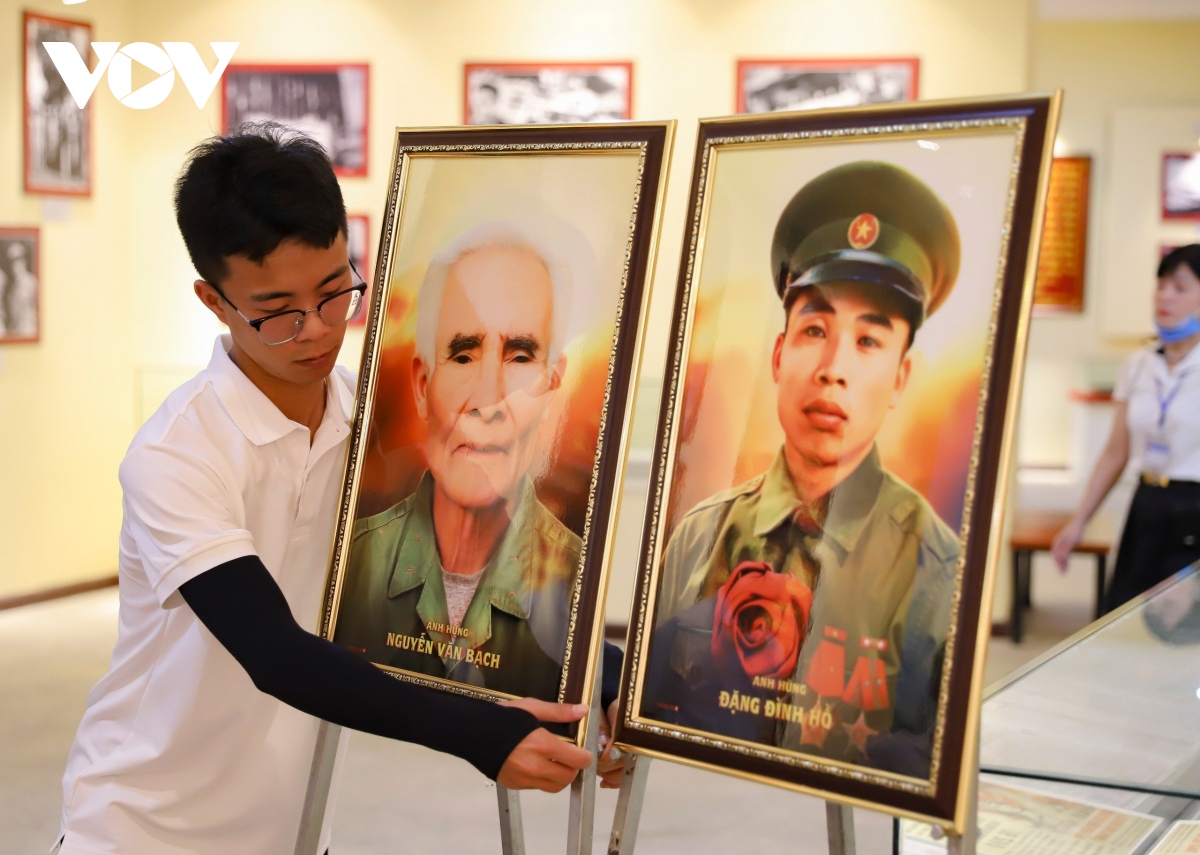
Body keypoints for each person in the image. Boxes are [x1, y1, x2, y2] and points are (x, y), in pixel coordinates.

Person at [54, 124, 605, 855]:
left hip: (291, 827)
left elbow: (460, 594)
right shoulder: (178, 455)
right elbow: (275, 653)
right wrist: (480, 734)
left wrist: (601, 682)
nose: (317, 330)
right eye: (279, 311)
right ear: (214, 300)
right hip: (139, 830)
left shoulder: (366, 425)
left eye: (334, 291)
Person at [643, 161, 962, 778]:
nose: (833, 369)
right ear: (779, 355)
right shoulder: (699, 535)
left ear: (900, 379)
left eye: (868, 342)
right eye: (814, 329)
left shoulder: (937, 570)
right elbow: (656, 696)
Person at [334, 223, 584, 702]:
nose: (488, 400)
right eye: (464, 355)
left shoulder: (580, 583)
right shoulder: (349, 565)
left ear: (553, 387)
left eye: (520, 356)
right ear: (422, 386)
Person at [1053, 245, 1200, 612]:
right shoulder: (1137, 365)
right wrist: (1078, 521)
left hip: (1194, 509)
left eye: (1180, 287)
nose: (1165, 296)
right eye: (1161, 285)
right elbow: (1115, 453)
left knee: (1182, 629)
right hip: (1147, 502)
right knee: (1123, 618)